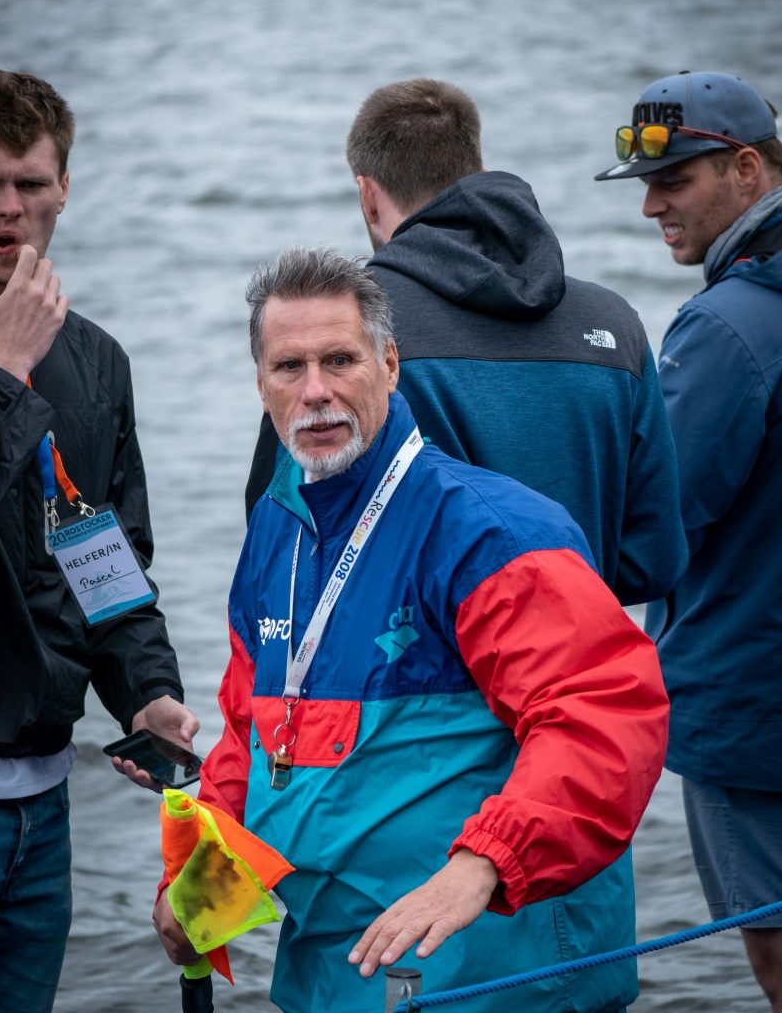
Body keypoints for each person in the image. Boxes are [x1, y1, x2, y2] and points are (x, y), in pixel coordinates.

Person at [155, 247, 669, 1013]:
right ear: (260, 384)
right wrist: (201, 891)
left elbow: (603, 715)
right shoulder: (274, 527)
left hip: (495, 975)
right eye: (289, 367)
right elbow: (250, 736)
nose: (316, 391)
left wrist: (482, 864)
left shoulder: (492, 532)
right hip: (333, 971)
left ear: (389, 366)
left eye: (339, 360)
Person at [246, 78, 687, 609]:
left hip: (407, 659)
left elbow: (281, 539)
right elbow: (652, 562)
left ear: (367, 195)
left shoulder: (346, 330)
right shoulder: (614, 323)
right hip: (575, 649)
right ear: (475, 172)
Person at [0, 65, 198, 1013]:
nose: (10, 207)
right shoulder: (18, 360)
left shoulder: (95, 360)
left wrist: (148, 691)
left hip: (40, 809)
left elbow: (102, 560)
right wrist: (0, 374)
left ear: (64, 187)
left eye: (30, 181)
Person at [595, 69, 782, 1011]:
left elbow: (653, 522)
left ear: (747, 170)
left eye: (672, 181)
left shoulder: (723, 325)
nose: (650, 207)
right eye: (642, 184)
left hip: (751, 713)